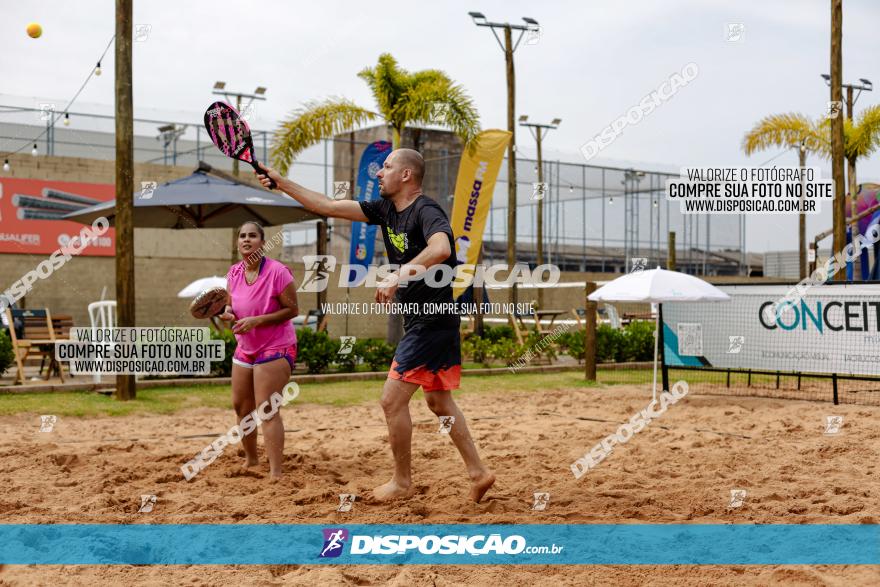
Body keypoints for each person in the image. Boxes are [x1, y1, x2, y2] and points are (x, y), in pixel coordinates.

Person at [255, 149, 495, 502]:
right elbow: (327, 206)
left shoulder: (425, 209)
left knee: (390, 401)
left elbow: (442, 247)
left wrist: (399, 273)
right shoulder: (385, 211)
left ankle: (402, 483)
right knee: (439, 402)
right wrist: (283, 182)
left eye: (386, 167)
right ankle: (479, 473)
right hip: (430, 321)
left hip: (431, 322)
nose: (379, 173)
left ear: (406, 176)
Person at [220, 221, 299, 479]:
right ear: (237, 243)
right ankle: (252, 461)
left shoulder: (278, 272)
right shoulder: (233, 273)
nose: (246, 239)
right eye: (242, 236)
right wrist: (228, 314)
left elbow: (292, 310)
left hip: (276, 345)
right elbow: (231, 306)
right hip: (246, 347)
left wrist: (258, 320)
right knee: (241, 408)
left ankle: (276, 472)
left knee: (267, 408)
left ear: (262, 243)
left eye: (252, 236)